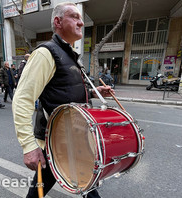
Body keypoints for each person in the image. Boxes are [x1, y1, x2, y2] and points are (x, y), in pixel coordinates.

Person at [12, 2, 113, 197]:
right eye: (74, 17)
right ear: (58, 21)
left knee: (76, 183)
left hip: (73, 137)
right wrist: (29, 146)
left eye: (80, 18)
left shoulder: (69, 54)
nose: (81, 23)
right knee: (84, 183)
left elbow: (64, 91)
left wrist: (93, 93)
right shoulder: (45, 53)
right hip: (57, 140)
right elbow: (22, 100)